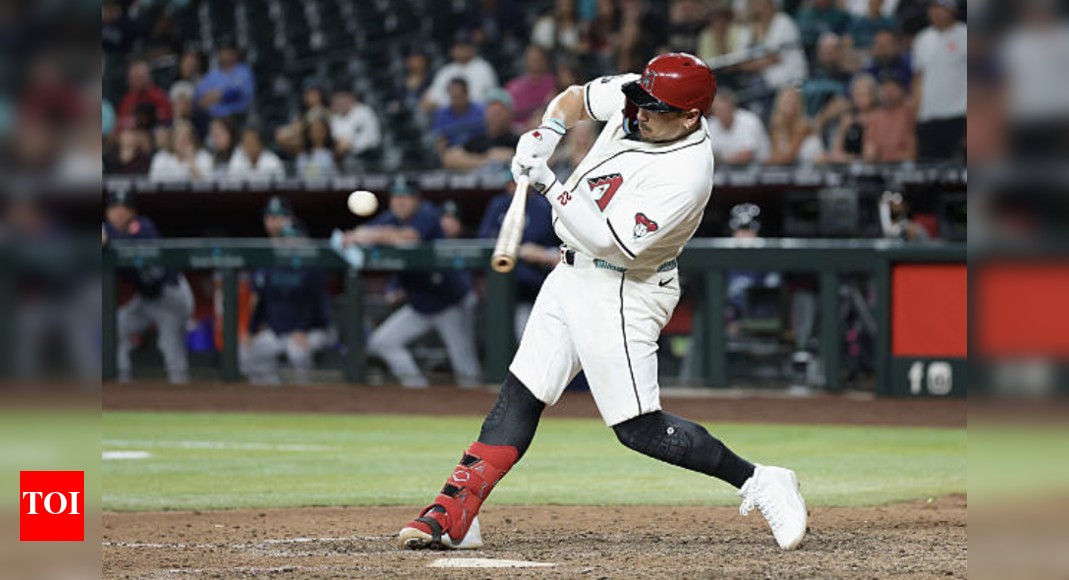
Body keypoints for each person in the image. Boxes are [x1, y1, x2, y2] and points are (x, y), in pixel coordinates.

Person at [398, 52, 806, 553]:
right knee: (522, 393)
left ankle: (761, 480)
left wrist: (548, 181)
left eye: (655, 109)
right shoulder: (645, 97)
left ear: (690, 117)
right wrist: (547, 133)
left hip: (624, 286)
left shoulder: (687, 174)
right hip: (571, 273)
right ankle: (458, 509)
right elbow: (572, 100)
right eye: (641, 101)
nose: (640, 113)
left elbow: (610, 243)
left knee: (638, 428)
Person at [343, 179, 481, 388]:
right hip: (419, 304)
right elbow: (359, 233)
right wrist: (357, 235)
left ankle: (476, 408)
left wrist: (371, 235)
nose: (400, 202)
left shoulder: (427, 214)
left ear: (416, 200)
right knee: (382, 342)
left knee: (465, 365)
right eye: (396, 197)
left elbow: (409, 238)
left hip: (449, 302)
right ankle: (416, 388)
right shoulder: (391, 218)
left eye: (406, 197)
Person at [240, 198, 335, 385]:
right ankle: (273, 393)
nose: (290, 242)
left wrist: (302, 330)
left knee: (297, 350)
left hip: (313, 331)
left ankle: (305, 391)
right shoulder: (269, 264)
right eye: (286, 238)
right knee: (244, 352)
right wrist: (250, 331)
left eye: (294, 237)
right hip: (278, 332)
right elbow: (261, 303)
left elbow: (316, 305)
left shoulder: (312, 266)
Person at [103, 191, 195, 384]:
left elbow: (130, 242)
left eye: (124, 209)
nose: (118, 213)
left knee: (171, 348)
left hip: (171, 295)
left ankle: (183, 397)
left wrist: (107, 239)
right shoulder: (107, 231)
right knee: (116, 328)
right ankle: (121, 384)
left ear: (133, 212)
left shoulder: (143, 226)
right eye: (113, 209)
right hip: (146, 298)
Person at [477, 178, 560, 338]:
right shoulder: (499, 205)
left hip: (537, 285)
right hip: (503, 285)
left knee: (530, 338)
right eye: (511, 183)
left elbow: (564, 246)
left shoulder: (544, 206)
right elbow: (484, 240)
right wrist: (519, 249)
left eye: (518, 183)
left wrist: (544, 254)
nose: (514, 187)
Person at [911, 0, 966, 160]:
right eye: (934, 8)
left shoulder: (966, 35)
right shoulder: (922, 39)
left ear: (953, 11)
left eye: (943, 8)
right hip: (928, 117)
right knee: (929, 174)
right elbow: (918, 79)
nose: (937, 12)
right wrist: (917, 113)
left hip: (959, 114)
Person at [735, 0, 808, 91]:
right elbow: (739, 61)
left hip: (791, 81)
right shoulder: (748, 28)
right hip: (761, 85)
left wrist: (751, 64)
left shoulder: (784, 22)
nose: (756, 3)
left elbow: (774, 58)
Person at [440, 89, 518, 174]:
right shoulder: (477, 141)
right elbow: (450, 159)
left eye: (499, 112)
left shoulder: (517, 141)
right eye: (491, 111)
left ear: (509, 114)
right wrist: (486, 161)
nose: (494, 117)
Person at [422, 34, 499, 112]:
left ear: (473, 48)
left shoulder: (484, 68)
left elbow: (490, 98)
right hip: (448, 115)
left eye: (463, 46)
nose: (460, 49)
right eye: (457, 46)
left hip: (477, 116)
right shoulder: (446, 70)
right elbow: (431, 99)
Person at [818, 73, 878, 163]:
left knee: (870, 152)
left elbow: (873, 151)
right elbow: (836, 149)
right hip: (850, 160)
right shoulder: (847, 117)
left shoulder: (879, 115)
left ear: (872, 95)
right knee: (820, 158)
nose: (859, 97)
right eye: (857, 93)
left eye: (863, 93)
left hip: (872, 161)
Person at [863, 73, 916, 163]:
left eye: (892, 89)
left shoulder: (910, 112)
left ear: (902, 90)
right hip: (880, 167)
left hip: (904, 167)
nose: (887, 93)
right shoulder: (874, 116)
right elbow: (869, 150)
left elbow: (912, 151)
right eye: (884, 89)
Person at [194, 42, 255, 119]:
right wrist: (210, 98)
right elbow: (199, 99)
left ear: (235, 54)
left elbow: (239, 94)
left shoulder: (244, 71)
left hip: (239, 117)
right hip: (214, 118)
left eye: (229, 52)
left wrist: (219, 96)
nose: (225, 55)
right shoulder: (212, 75)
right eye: (223, 52)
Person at [708, 89, 771, 164]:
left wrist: (721, 161)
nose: (720, 113)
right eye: (717, 110)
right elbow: (708, 152)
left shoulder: (749, 120)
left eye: (724, 110)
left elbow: (748, 154)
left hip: (762, 166)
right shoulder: (711, 124)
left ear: (732, 108)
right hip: (729, 169)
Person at [766, 86, 822, 164]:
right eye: (787, 101)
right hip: (791, 169)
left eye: (793, 101)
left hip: (811, 168)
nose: (790, 104)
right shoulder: (776, 126)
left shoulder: (804, 125)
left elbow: (790, 156)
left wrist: (765, 162)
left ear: (799, 105)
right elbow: (776, 153)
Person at [505, 46, 557, 129]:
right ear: (525, 61)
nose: (535, 62)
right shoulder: (513, 86)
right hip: (515, 132)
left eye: (538, 59)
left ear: (545, 61)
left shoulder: (555, 85)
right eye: (531, 59)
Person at [329, 82, 381, 159]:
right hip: (346, 156)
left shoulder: (365, 112)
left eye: (344, 98)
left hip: (369, 154)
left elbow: (373, 138)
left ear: (352, 98)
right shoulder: (335, 118)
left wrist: (351, 144)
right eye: (338, 99)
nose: (341, 102)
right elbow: (337, 138)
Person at [148, 119, 213, 181]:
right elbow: (153, 185)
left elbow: (207, 186)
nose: (184, 139)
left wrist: (191, 162)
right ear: (172, 138)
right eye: (179, 135)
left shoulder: (203, 157)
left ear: (193, 138)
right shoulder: (161, 158)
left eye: (187, 135)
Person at [431, 78, 487, 149]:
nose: (457, 102)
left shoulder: (481, 111)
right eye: (453, 97)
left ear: (467, 94)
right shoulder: (441, 115)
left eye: (459, 97)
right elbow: (438, 140)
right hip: (451, 153)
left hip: (478, 150)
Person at [118, 60, 173, 128]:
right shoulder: (127, 99)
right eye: (134, 77)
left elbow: (167, 117)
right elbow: (120, 120)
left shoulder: (159, 96)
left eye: (140, 77)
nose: (137, 81)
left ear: (148, 77)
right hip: (133, 132)